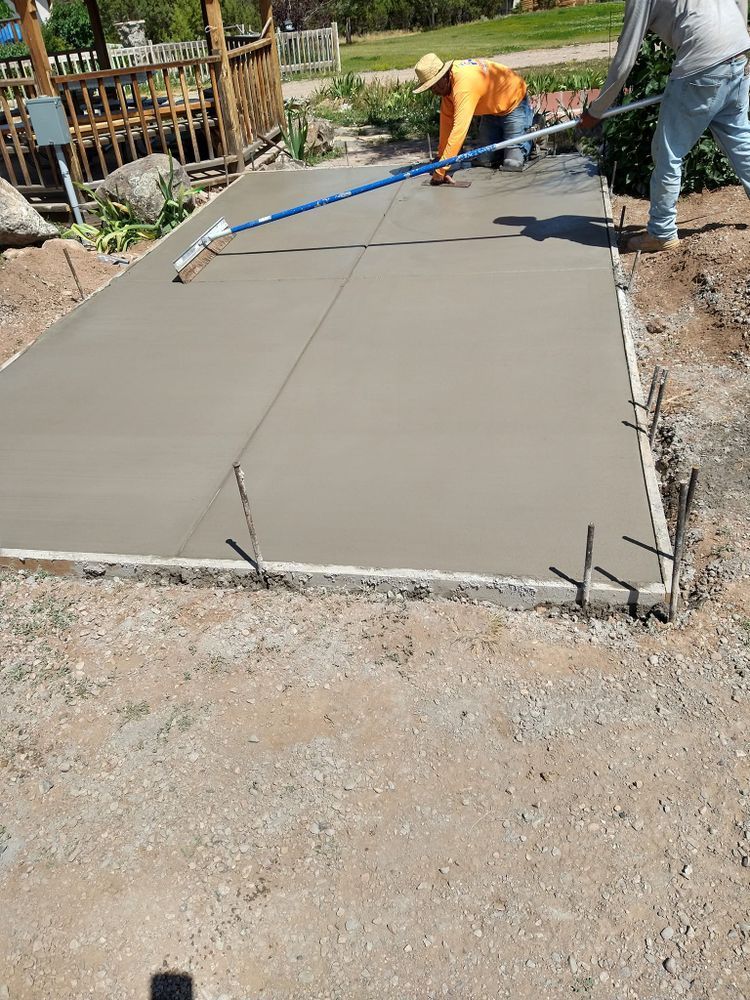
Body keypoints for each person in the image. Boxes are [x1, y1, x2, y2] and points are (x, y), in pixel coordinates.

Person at [579, 0, 750, 252]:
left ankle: (661, 232)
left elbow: (625, 59)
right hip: (738, 52)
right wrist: (739, 35)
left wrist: (596, 111)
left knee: (668, 151)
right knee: (740, 140)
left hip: (702, 61)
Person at [413, 53, 533, 183]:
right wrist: (441, 159)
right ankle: (509, 142)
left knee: (512, 164)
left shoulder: (463, 85)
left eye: (436, 85)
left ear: (445, 75)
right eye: (430, 88)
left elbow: (459, 130)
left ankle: (535, 134)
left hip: (514, 101)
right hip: (491, 110)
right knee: (485, 161)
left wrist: (441, 170)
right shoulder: (447, 89)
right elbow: (446, 126)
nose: (435, 91)